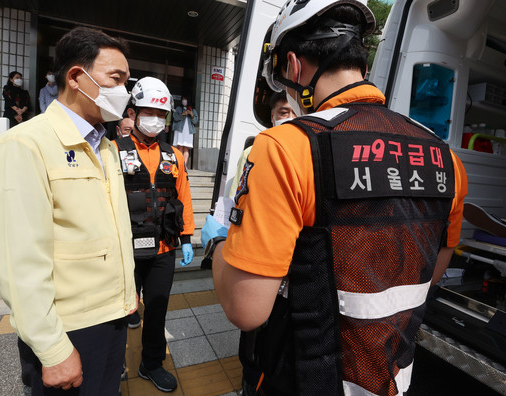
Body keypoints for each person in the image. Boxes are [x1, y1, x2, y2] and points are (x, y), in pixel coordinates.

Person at [201, 1, 468, 395]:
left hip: (306, 380)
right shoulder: (445, 156)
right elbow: (427, 270)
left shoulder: (285, 145)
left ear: (292, 66)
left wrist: (218, 241)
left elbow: (247, 310)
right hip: (394, 378)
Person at [0, 26, 136, 395]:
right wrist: (52, 348)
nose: (124, 92)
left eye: (127, 82)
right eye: (116, 79)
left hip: (112, 316)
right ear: (76, 77)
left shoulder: (105, 146)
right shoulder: (24, 145)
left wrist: (128, 297)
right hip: (68, 328)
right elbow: (20, 261)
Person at [113, 77, 195, 393]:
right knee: (119, 311)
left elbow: (183, 198)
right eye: (149, 112)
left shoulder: (174, 154)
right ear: (133, 113)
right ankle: (113, 366)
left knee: (157, 309)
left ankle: (151, 364)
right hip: (125, 250)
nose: (155, 120)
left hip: (164, 248)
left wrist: (187, 237)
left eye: (161, 115)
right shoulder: (113, 151)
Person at [228, 91, 296, 198]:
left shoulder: (308, 154)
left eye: (296, 112)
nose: (291, 118)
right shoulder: (251, 152)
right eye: (284, 113)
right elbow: (235, 196)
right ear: (272, 116)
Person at [172, 96, 198, 168]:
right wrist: (183, 114)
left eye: (185, 100)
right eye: (183, 100)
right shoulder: (178, 108)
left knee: (186, 148)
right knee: (180, 147)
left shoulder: (193, 110)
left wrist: (191, 114)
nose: (184, 101)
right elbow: (175, 117)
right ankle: (179, 164)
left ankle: (184, 165)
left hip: (188, 131)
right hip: (180, 129)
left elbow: (195, 121)